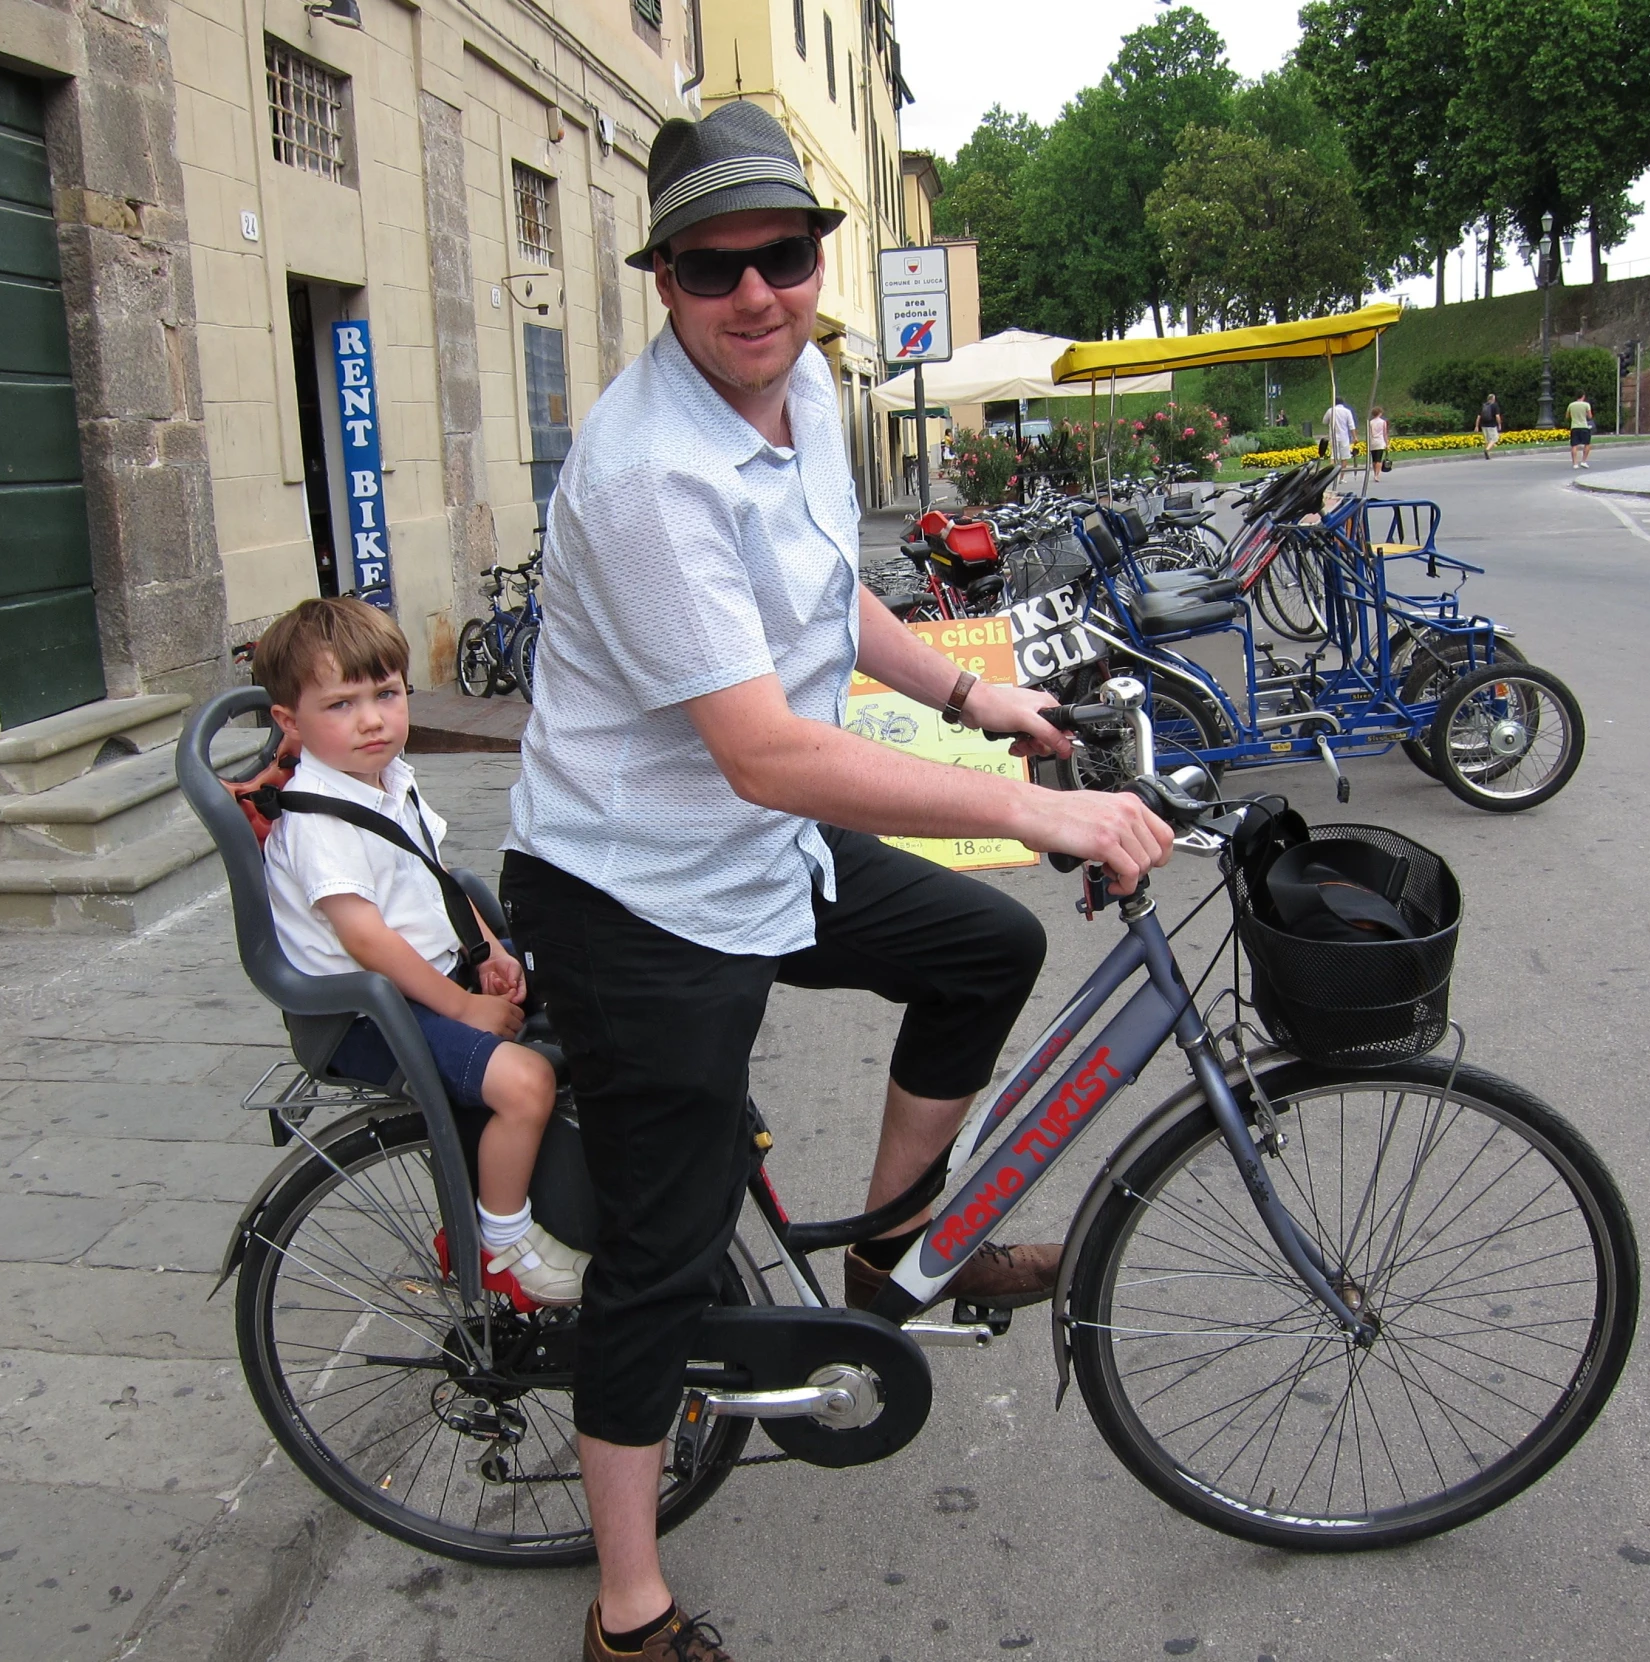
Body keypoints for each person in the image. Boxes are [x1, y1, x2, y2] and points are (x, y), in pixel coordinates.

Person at [497, 101, 1173, 1662]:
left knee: (979, 948)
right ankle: (626, 1610)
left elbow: (824, 593)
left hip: (756, 852)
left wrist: (970, 693)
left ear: (821, 262)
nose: (756, 294)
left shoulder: (797, 386)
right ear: (661, 281)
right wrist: (1034, 806)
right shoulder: (648, 474)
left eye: (784, 256)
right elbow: (768, 753)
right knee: (661, 1259)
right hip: (637, 891)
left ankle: (888, 1245)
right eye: (710, 267)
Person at [254, 597, 580, 1308]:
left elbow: (437, 879)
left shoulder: (384, 782)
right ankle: (501, 1241)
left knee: (576, 963)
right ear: (290, 723)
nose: (372, 719)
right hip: (367, 1016)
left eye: (387, 694)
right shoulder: (319, 820)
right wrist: (464, 1004)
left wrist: (488, 947)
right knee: (526, 1084)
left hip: (423, 981)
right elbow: (365, 939)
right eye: (341, 704)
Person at [1322, 396, 1356, 466]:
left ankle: (1332, 474)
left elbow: (1324, 421)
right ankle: (1342, 476)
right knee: (1344, 457)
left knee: (1333, 456)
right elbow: (1351, 425)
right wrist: (1355, 437)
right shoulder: (1347, 411)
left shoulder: (1330, 410)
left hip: (1333, 436)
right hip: (1344, 436)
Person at [1566, 390, 1595, 469]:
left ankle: (1575, 463)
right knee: (1587, 444)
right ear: (1583, 396)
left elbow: (1567, 416)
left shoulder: (1571, 405)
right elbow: (1590, 416)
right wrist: (1585, 414)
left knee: (1574, 445)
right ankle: (1583, 461)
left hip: (1574, 426)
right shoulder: (1586, 405)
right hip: (1584, 426)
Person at [1478, 392, 1503, 459]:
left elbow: (1479, 416)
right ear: (1493, 399)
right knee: (1494, 439)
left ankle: (1488, 455)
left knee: (1487, 440)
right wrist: (1499, 424)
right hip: (1492, 425)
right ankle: (1487, 450)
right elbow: (1497, 416)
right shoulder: (1495, 405)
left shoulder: (1483, 405)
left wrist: (1476, 426)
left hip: (1483, 425)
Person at [1368, 405, 1390, 474]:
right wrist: (1387, 443)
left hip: (1372, 441)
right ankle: (1377, 475)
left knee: (1374, 459)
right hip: (1380, 441)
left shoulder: (1370, 422)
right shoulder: (1383, 422)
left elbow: (1369, 433)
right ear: (1380, 413)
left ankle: (1375, 472)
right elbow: (1385, 433)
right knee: (1379, 459)